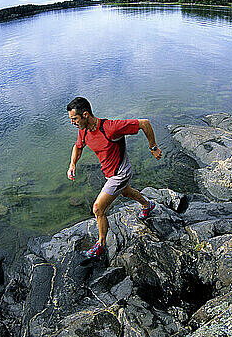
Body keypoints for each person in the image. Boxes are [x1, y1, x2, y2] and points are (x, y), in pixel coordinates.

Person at [66, 97, 162, 258]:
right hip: (109, 173)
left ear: (85, 115)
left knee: (98, 208)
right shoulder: (83, 130)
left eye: (74, 119)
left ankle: (101, 245)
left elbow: (144, 123)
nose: (72, 122)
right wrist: (72, 164)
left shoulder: (111, 128)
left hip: (120, 173)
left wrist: (153, 147)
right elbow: (78, 146)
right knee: (126, 192)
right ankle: (147, 205)